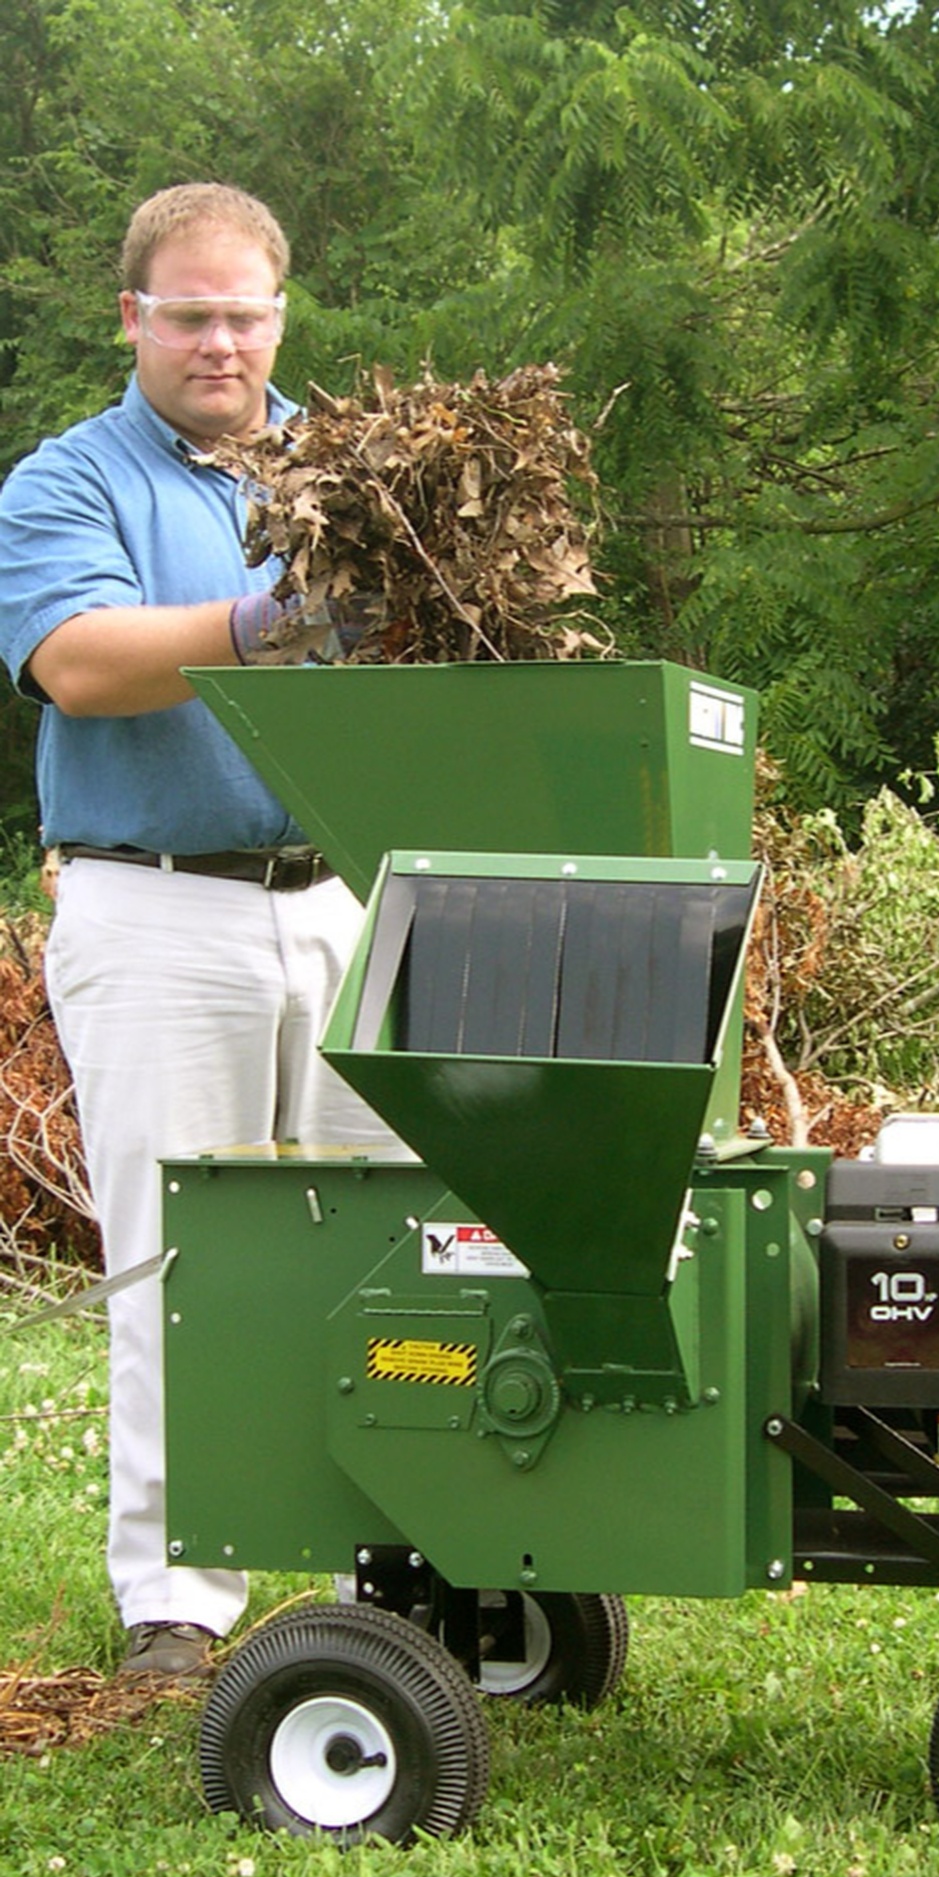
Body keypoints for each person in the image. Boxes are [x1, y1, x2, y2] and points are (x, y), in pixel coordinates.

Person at [0, 183, 392, 1684]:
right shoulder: (70, 482)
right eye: (190, 313)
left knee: (386, 1244)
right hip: (158, 904)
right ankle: (179, 1600)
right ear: (133, 319)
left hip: (349, 901)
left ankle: (395, 1562)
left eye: (246, 312)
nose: (220, 341)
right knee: (181, 1265)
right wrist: (264, 624)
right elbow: (79, 662)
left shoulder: (353, 471)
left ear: (282, 315)